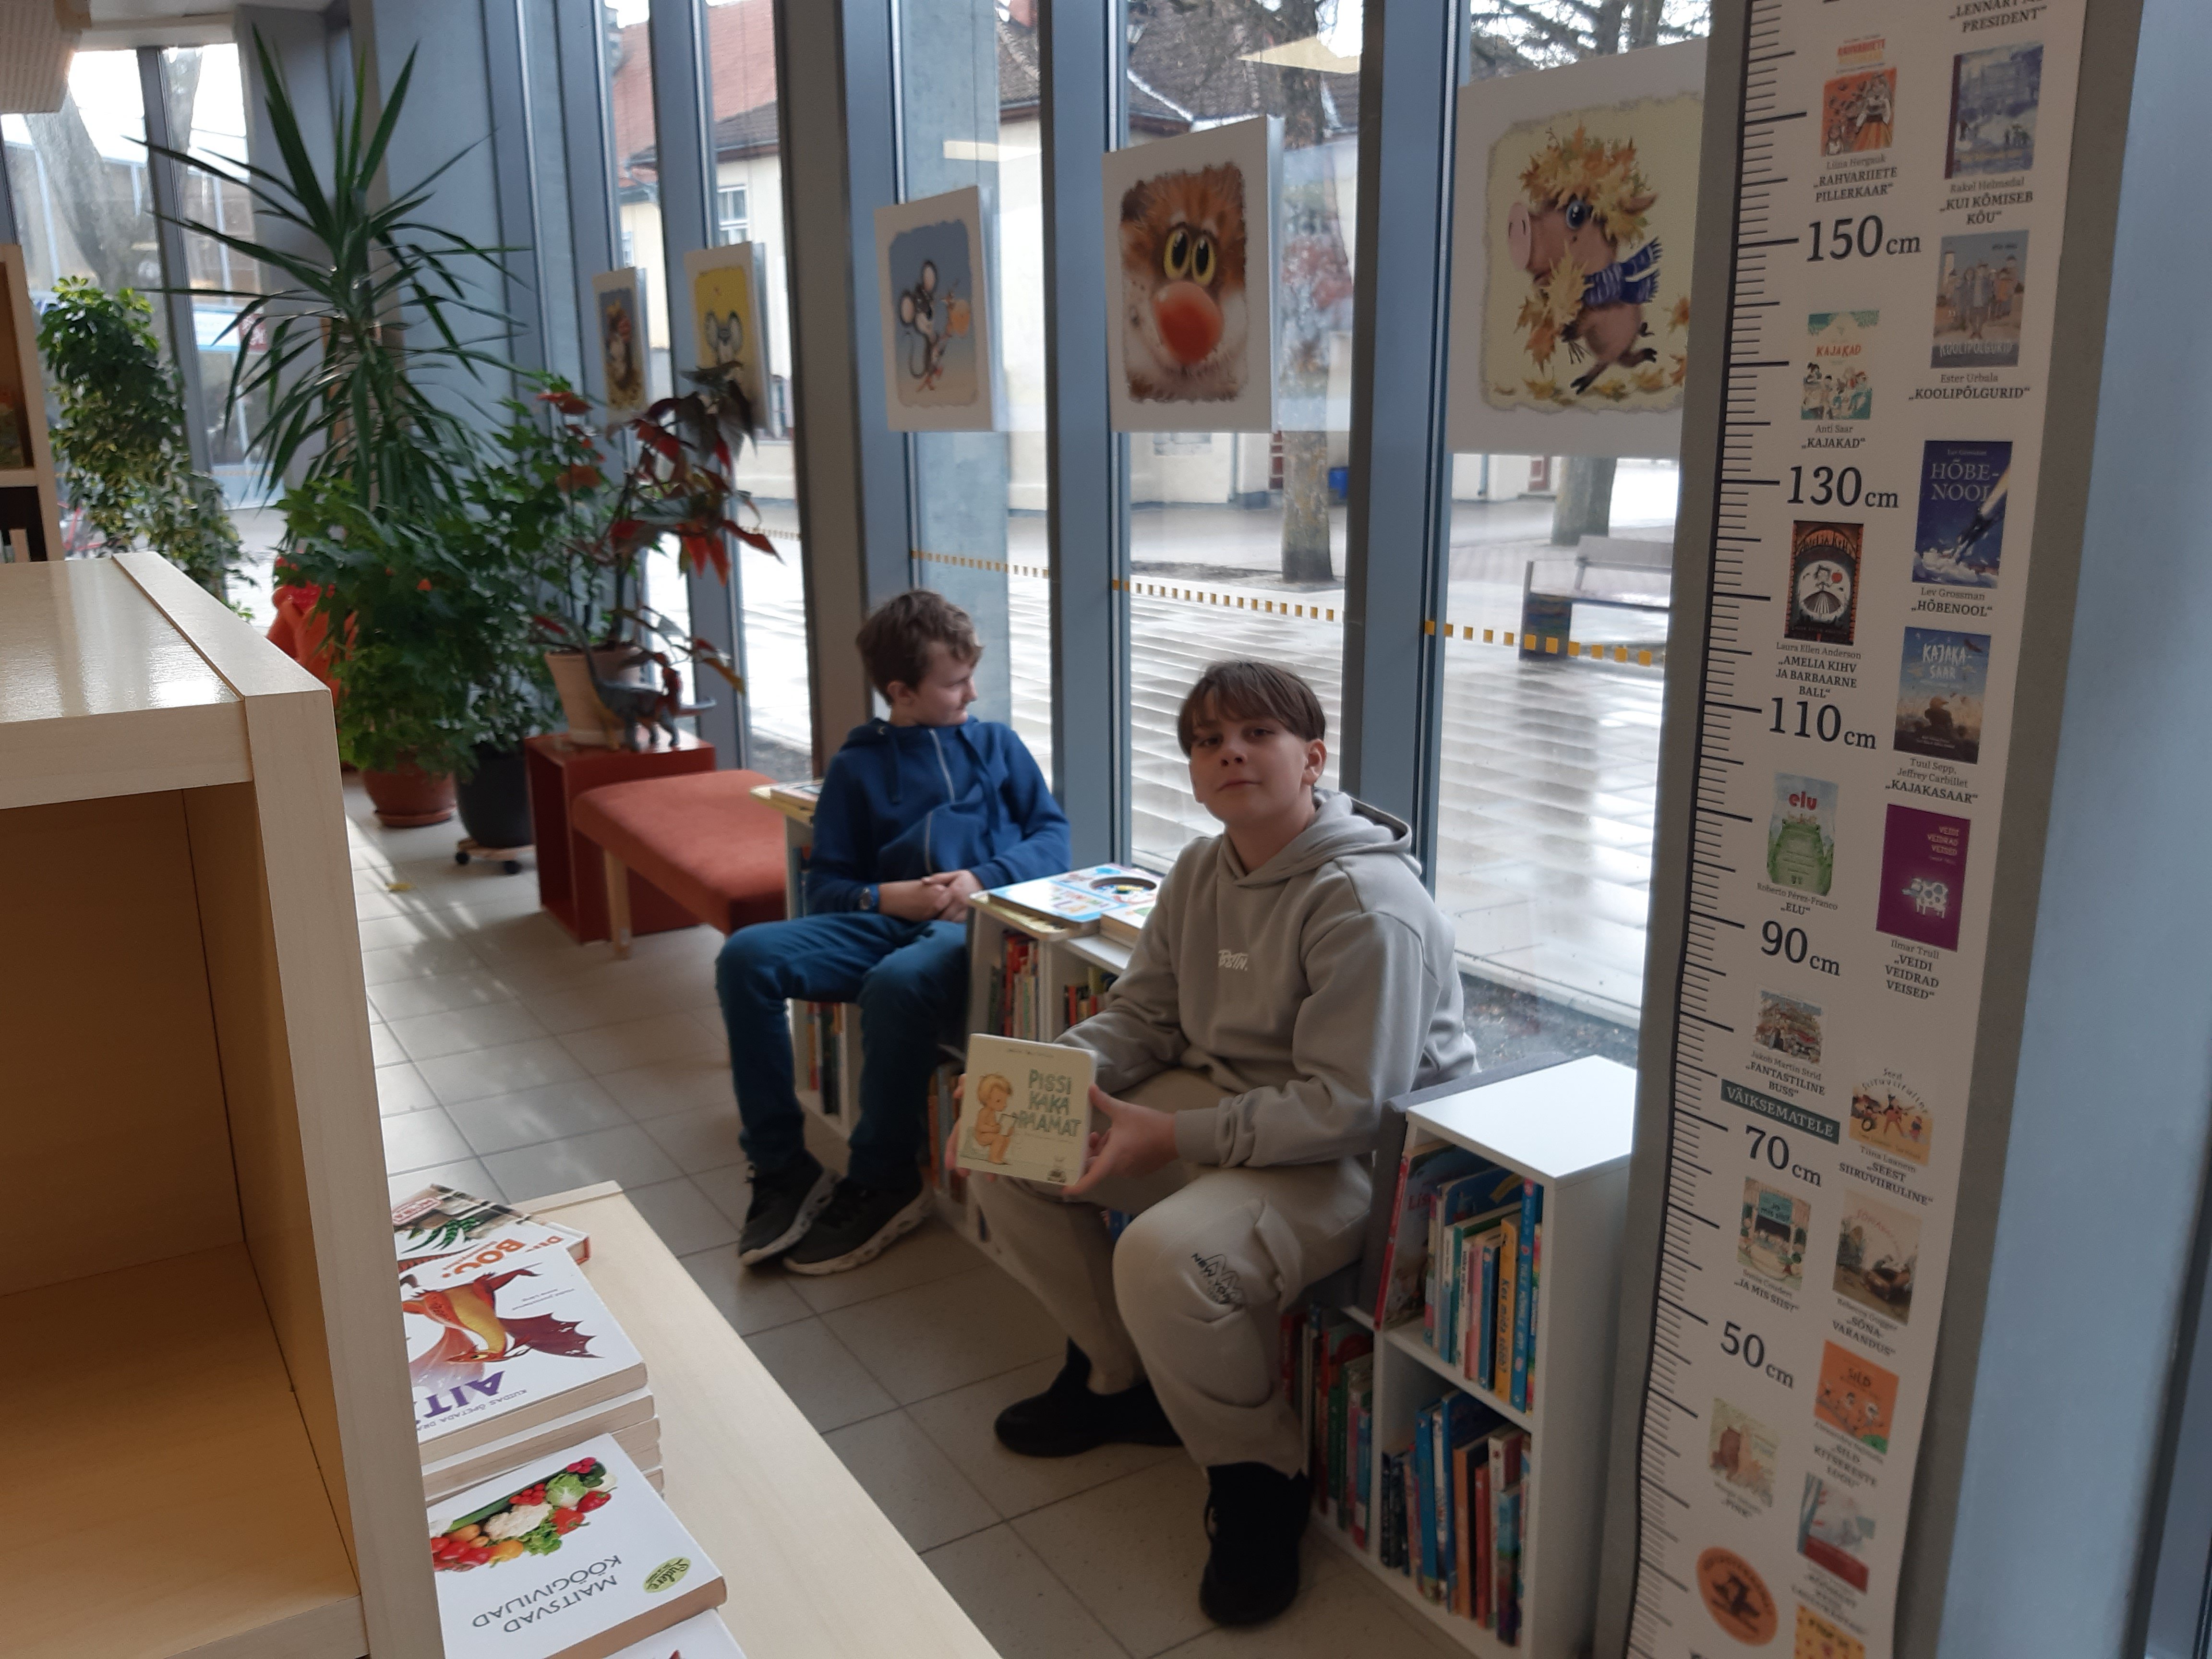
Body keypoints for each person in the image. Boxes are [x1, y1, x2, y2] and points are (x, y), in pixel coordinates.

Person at [967, 661, 1477, 1627]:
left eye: (1257, 734)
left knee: (1167, 1259)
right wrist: (1044, 1080)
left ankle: (1259, 1480)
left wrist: (1174, 1133)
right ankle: (1119, 1381)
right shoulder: (1203, 867)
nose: (1229, 753)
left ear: (1312, 759)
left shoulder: (1366, 903)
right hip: (1223, 1110)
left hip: (1353, 1159)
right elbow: (1145, 1014)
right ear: (1196, 773)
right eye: (1208, 741)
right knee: (1011, 1146)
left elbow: (1352, 1108)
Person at [718, 589, 1068, 1274]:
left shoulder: (997, 745)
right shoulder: (857, 767)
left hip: (971, 929)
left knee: (898, 982)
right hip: (881, 923)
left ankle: (883, 1177)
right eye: (955, 682)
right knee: (745, 957)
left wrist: (982, 878)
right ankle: (782, 1167)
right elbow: (826, 889)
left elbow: (1053, 838)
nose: (973, 692)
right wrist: (885, 897)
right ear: (902, 692)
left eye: (971, 675)